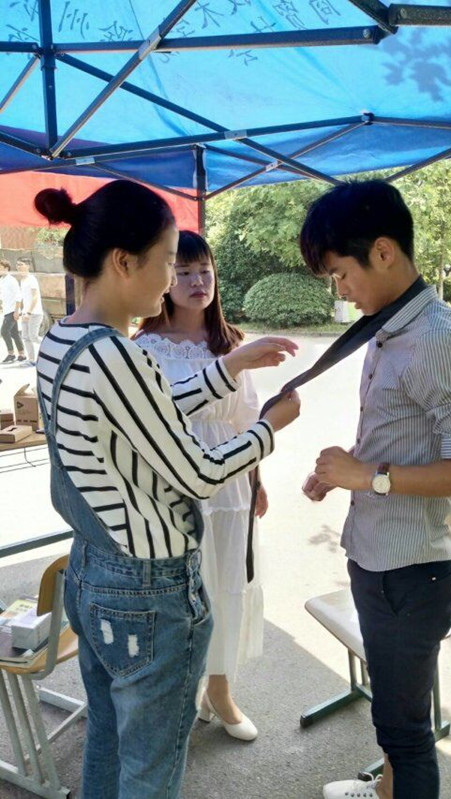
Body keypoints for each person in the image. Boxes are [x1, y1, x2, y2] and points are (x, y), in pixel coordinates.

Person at [34, 179, 300, 799]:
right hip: (146, 588)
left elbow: (145, 413)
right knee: (151, 769)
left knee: (109, 739)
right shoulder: (117, 356)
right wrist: (267, 430)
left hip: (93, 567)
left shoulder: (63, 340)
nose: (171, 280)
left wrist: (229, 365)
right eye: (167, 262)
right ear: (124, 262)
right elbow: (198, 472)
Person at [299, 180, 451, 799]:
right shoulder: (389, 326)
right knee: (394, 718)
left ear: (383, 252)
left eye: (341, 273)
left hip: (409, 575)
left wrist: (369, 477)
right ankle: (385, 790)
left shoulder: (436, 339)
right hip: (379, 559)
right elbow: (401, 435)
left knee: (406, 735)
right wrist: (344, 472)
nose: (339, 289)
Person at [134, 231, 265, 742]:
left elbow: (249, 420)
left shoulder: (230, 343)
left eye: (205, 270)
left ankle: (220, 691)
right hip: (172, 489)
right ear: (164, 279)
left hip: (230, 487)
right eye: (183, 271)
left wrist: (257, 481)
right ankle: (179, 692)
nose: (197, 281)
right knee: (181, 595)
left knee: (227, 584)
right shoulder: (142, 348)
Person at [16, 259, 44, 365]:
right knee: (26, 337)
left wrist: (29, 312)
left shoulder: (32, 279)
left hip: (34, 313)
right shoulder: (22, 280)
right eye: (17, 265)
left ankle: (52, 347)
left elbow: (35, 297)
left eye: (21, 264)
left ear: (28, 266)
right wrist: (22, 311)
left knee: (33, 337)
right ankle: (31, 360)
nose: (18, 266)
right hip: (25, 313)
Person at [0, 259, 25, 363]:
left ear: (6, 268)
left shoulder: (11, 280)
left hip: (12, 311)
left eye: (0, 268)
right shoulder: (2, 280)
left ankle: (11, 354)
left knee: (4, 331)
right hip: (7, 310)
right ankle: (22, 354)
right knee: (14, 333)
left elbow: (18, 296)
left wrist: (16, 311)